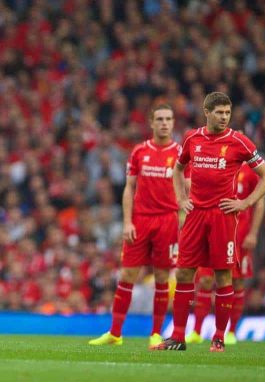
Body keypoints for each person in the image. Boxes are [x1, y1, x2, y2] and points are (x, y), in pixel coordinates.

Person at [154, 92, 265, 352]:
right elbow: (177, 170)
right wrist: (180, 199)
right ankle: (178, 337)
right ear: (206, 112)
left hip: (222, 216)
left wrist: (245, 203)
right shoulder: (192, 138)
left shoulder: (238, 141)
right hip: (196, 214)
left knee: (223, 276)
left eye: (227, 113)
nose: (224, 117)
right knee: (185, 272)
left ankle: (218, 338)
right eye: (219, 112)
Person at [88, 105, 180, 349]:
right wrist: (127, 221)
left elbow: (188, 188)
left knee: (162, 278)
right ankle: (115, 333)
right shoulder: (140, 151)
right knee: (127, 275)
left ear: (173, 123)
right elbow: (129, 188)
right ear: (151, 122)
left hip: (167, 220)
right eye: (159, 119)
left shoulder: (181, 154)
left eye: (168, 119)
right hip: (139, 221)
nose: (164, 123)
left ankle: (156, 334)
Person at [186, 162, 265, 345]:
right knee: (205, 279)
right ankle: (197, 330)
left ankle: (231, 331)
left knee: (236, 281)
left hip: (240, 235)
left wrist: (253, 233)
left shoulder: (251, 171)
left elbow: (260, 203)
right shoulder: (217, 164)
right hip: (214, 230)